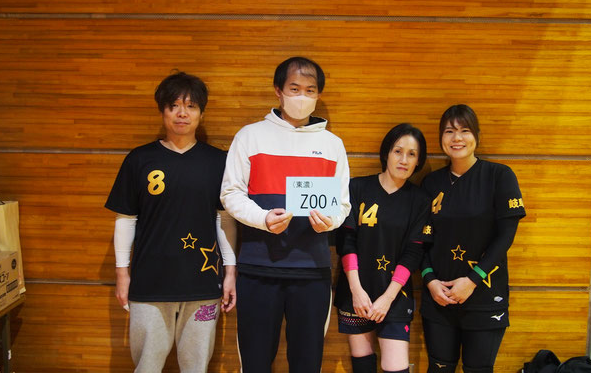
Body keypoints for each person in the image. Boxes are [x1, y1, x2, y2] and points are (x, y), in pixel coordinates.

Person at [220, 56, 351, 372]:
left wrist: (329, 222)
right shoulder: (250, 136)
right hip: (258, 268)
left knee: (307, 363)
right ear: (278, 90)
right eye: (295, 88)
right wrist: (263, 219)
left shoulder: (332, 144)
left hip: (312, 271)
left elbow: (342, 205)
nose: (302, 97)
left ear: (318, 94)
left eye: (310, 90)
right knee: (255, 361)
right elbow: (230, 194)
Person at [105, 71, 237, 373]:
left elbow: (225, 221)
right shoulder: (139, 159)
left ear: (201, 113)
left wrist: (230, 272)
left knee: (196, 367)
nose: (182, 113)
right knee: (147, 366)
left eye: (190, 106)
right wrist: (122, 274)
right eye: (174, 105)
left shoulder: (218, 162)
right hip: (150, 284)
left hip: (203, 284)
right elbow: (125, 219)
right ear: (162, 111)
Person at [420, 104, 525, 373]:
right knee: (439, 368)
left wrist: (472, 280)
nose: (457, 138)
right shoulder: (431, 183)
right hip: (439, 298)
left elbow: (506, 236)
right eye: (449, 131)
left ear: (476, 135)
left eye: (464, 130)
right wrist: (430, 281)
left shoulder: (500, 176)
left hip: (484, 295)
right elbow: (422, 239)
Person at [334, 123, 433, 373]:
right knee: (362, 364)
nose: (404, 160)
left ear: (419, 161)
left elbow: (413, 252)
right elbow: (347, 240)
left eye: (412, 154)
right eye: (398, 151)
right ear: (386, 153)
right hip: (355, 291)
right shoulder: (357, 188)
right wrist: (356, 291)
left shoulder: (420, 200)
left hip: (395, 296)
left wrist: (387, 298)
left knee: (396, 367)